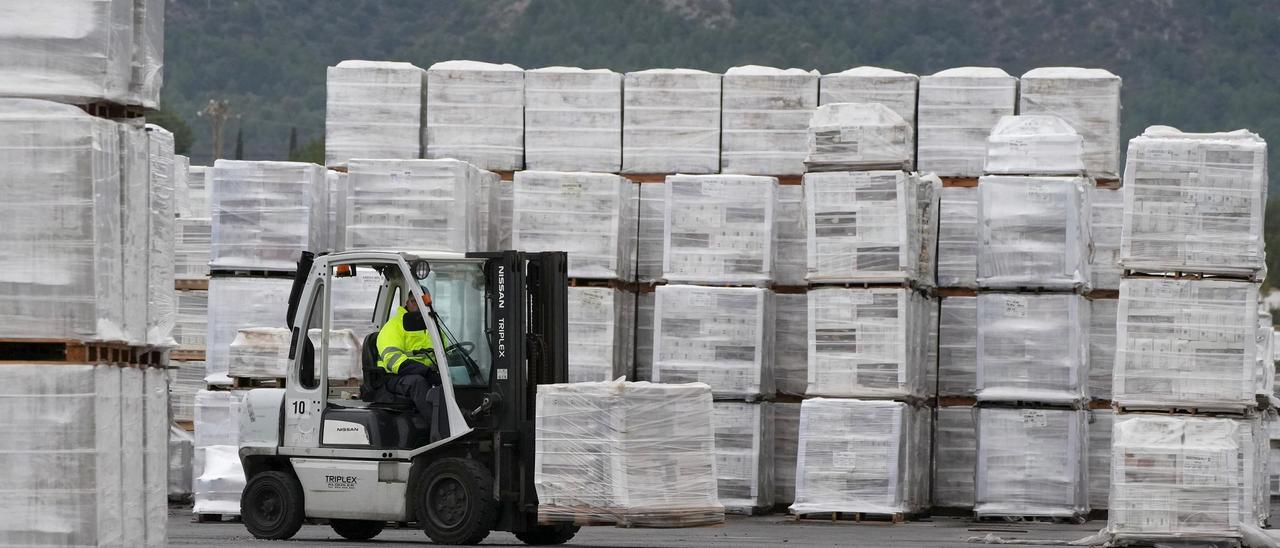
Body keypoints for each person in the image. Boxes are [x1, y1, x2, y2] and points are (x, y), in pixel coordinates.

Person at [375, 293, 449, 440]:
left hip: (425, 372)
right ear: (406, 302)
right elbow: (393, 359)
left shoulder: (431, 326)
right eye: (414, 301)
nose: (417, 305)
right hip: (394, 376)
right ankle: (441, 431)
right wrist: (426, 372)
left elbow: (446, 351)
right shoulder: (394, 326)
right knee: (418, 383)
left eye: (421, 302)